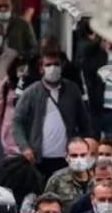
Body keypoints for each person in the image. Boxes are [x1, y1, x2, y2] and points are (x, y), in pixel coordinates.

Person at [12, 49, 92, 185]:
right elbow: (17, 122)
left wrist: (86, 146)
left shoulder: (72, 90)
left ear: (62, 67)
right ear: (41, 68)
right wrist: (25, 147)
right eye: (48, 65)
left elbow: (84, 121)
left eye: (56, 64)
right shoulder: (31, 92)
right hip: (38, 159)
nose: (53, 68)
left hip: (66, 159)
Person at [0, 57, 26, 167]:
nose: (23, 72)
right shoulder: (6, 84)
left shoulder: (35, 85)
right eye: (21, 69)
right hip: (8, 128)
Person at [43, 137, 94, 213]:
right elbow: (46, 206)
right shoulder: (56, 180)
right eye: (74, 155)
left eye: (83, 155)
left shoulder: (97, 179)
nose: (79, 159)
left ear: (89, 155)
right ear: (66, 157)